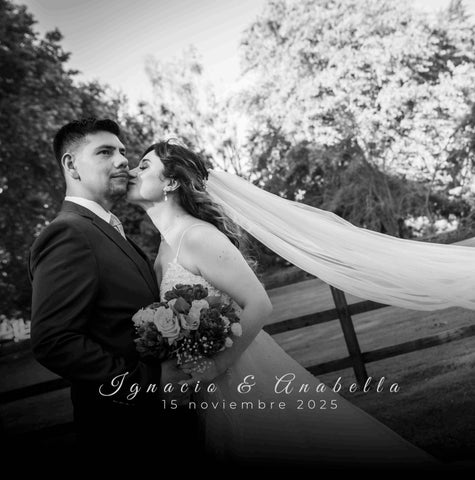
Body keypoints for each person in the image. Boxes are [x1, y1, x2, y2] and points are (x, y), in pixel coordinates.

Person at [126, 139, 445, 471]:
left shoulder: (197, 236)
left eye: (143, 166)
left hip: (240, 374)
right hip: (205, 385)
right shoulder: (166, 244)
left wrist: (218, 365)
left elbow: (260, 304)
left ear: (171, 182)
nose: (132, 171)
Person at [28, 119, 197, 459]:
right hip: (125, 433)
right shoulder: (68, 233)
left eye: (121, 151)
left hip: (161, 425)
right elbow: (53, 341)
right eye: (105, 152)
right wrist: (149, 382)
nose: (122, 160)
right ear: (71, 165)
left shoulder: (107, 229)